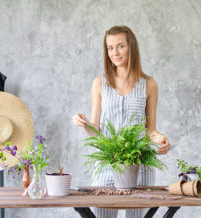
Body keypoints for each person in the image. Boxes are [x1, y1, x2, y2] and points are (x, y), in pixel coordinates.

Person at [72, 25, 171, 218]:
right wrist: (83, 122)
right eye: (110, 48)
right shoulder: (100, 83)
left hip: (140, 165)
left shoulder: (149, 85)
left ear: (131, 47)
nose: (114, 53)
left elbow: (150, 130)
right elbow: (96, 129)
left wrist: (161, 139)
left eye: (120, 46)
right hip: (108, 163)